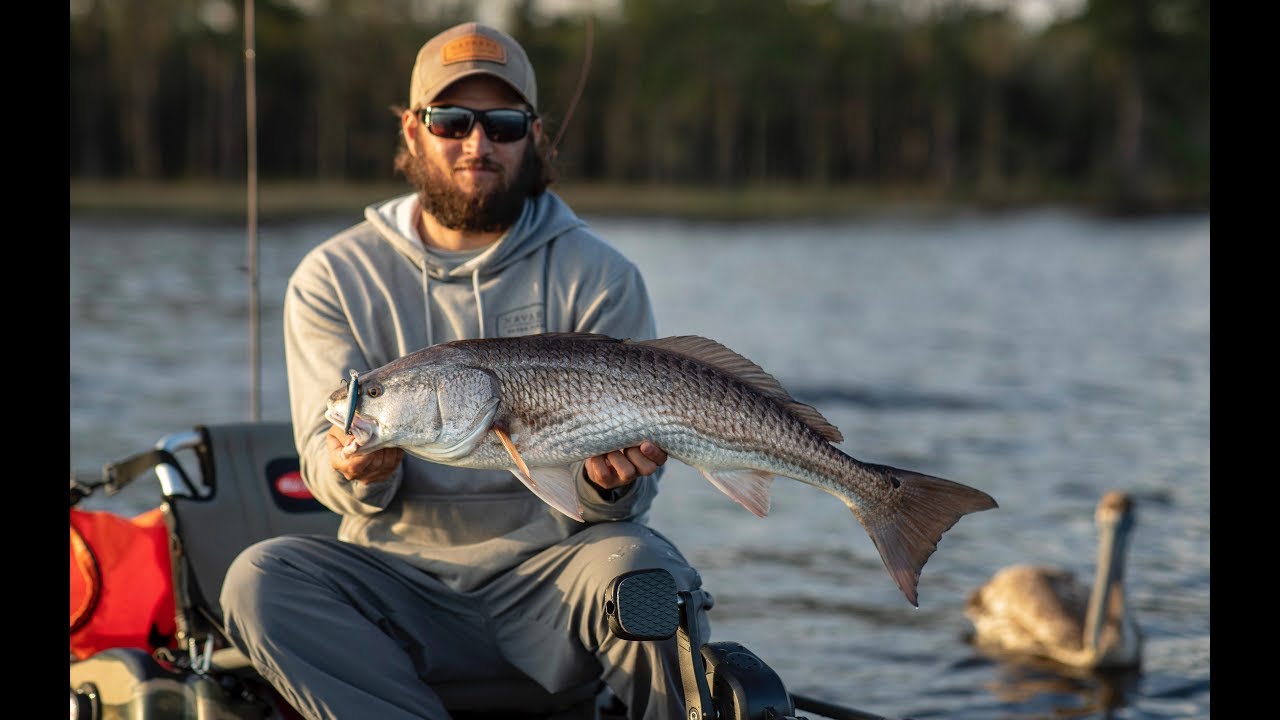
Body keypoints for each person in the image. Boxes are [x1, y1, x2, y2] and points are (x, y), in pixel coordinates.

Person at [219, 20, 707, 720]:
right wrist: (360, 474)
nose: (476, 144)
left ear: (535, 137)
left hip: (556, 582)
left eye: (503, 124)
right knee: (259, 579)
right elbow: (324, 463)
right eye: (451, 120)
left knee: (648, 570)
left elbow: (629, 498)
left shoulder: (599, 275)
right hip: (395, 582)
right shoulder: (333, 277)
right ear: (412, 131)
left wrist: (608, 488)